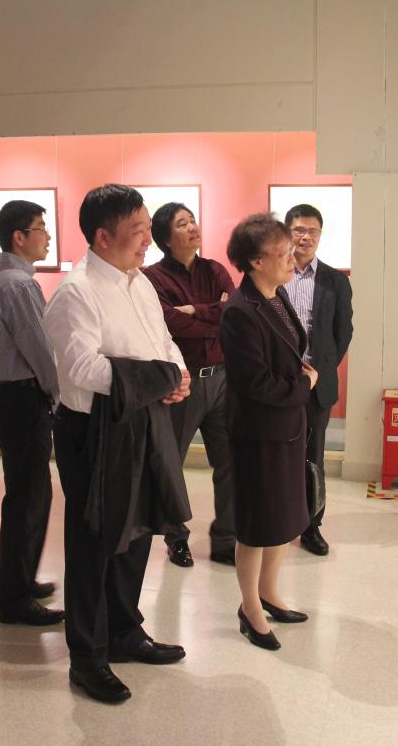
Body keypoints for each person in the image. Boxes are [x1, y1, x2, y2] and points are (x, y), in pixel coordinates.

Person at [43, 184, 192, 704]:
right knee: (96, 541)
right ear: (103, 236)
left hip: (141, 417)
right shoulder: (76, 291)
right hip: (96, 430)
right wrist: (158, 379)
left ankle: (126, 631)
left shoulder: (139, 282)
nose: (149, 239)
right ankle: (87, 656)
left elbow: (163, 342)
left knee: (138, 530)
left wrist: (178, 374)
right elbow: (82, 368)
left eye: (149, 228)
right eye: (138, 231)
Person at [221, 213, 315, 651]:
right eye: (282, 254)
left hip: (287, 427)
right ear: (256, 261)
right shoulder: (240, 312)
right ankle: (250, 609)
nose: (291, 260)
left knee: (284, 518)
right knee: (257, 525)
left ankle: (270, 593)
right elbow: (254, 383)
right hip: (258, 434)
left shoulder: (276, 296)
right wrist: (303, 386)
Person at [0, 199, 64, 626]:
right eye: (41, 228)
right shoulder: (18, 286)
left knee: (29, 494)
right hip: (23, 398)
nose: (47, 236)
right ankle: (14, 597)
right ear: (19, 237)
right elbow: (41, 351)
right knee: (28, 498)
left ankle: (21, 580)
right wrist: (58, 395)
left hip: (7, 395)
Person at [143, 202, 237, 567]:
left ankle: (226, 539)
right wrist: (215, 314)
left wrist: (196, 310)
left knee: (230, 463)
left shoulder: (215, 269)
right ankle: (176, 538)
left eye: (193, 220)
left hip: (223, 380)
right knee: (172, 463)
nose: (193, 227)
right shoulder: (153, 278)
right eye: (182, 224)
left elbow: (234, 311)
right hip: (182, 383)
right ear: (166, 238)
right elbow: (169, 324)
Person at [282, 204, 353, 556]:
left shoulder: (335, 281)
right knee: (278, 453)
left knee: (313, 458)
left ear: (320, 235)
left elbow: (343, 332)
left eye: (312, 231)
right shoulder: (273, 274)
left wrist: (320, 369)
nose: (305, 237)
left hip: (316, 386)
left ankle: (311, 527)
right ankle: (280, 521)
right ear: (287, 233)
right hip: (278, 383)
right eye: (299, 230)